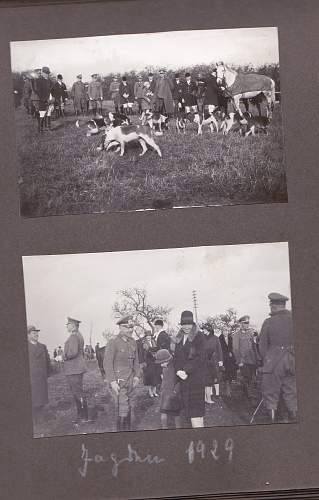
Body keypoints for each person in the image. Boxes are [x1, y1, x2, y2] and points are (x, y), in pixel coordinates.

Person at [259, 293, 297, 422]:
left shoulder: (268, 322)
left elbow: (262, 345)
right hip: (292, 361)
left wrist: (267, 360)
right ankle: (294, 418)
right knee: (291, 392)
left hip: (274, 362)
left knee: (270, 393)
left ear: (273, 306)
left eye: (271, 305)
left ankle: (273, 422)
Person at [103, 315, 140, 431]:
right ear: (120, 328)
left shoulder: (133, 342)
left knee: (129, 408)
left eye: (131, 327)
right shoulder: (113, 342)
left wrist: (137, 377)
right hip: (119, 383)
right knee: (122, 410)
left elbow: (137, 362)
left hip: (130, 382)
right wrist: (113, 381)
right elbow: (107, 363)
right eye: (126, 327)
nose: (130, 330)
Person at [173, 310, 206, 428]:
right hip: (183, 379)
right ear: (181, 324)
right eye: (184, 324)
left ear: (193, 324)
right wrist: (178, 371)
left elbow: (200, 358)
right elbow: (176, 357)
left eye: (189, 324)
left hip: (195, 379)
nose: (186, 326)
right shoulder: (178, 338)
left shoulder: (199, 336)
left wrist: (186, 370)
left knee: (196, 411)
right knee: (187, 410)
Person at [64, 317, 91, 424]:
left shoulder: (74, 336)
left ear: (73, 325)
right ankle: (82, 415)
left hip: (74, 369)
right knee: (77, 392)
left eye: (68, 324)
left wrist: (63, 357)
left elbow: (73, 352)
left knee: (78, 393)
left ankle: (83, 416)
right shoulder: (78, 335)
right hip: (76, 368)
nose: (66, 326)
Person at [27, 325, 51, 425]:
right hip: (31, 377)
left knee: (41, 397)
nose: (36, 334)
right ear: (28, 335)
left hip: (41, 377)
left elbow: (48, 362)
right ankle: (34, 417)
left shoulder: (43, 346)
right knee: (32, 398)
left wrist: (47, 373)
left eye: (37, 332)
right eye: (34, 333)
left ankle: (40, 416)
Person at [232, 315, 259, 399]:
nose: (247, 325)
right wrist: (239, 360)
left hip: (252, 360)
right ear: (241, 324)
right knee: (247, 378)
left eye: (248, 323)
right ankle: (250, 396)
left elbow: (254, 346)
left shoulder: (251, 333)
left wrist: (257, 357)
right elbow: (235, 349)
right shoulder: (237, 335)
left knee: (252, 378)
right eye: (245, 323)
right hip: (243, 361)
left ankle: (246, 393)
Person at [155, 349, 182, 429]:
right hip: (165, 393)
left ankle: (179, 429)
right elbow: (164, 380)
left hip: (173, 394)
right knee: (163, 412)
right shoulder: (164, 368)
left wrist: (176, 390)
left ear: (168, 360)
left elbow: (180, 381)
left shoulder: (175, 367)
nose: (161, 365)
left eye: (162, 363)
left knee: (176, 414)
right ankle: (164, 428)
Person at [202, 323, 223, 403]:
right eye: (203, 329)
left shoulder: (215, 338)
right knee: (205, 380)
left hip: (213, 362)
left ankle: (209, 397)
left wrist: (220, 360)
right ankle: (206, 398)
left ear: (209, 330)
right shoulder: (201, 338)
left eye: (204, 329)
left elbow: (219, 350)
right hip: (204, 362)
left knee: (212, 379)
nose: (203, 331)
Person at [142, 331, 161, 398]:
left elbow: (157, 349)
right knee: (150, 378)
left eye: (149, 336)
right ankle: (150, 392)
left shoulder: (154, 342)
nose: (148, 337)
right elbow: (147, 351)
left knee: (155, 377)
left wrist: (156, 354)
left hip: (155, 361)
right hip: (148, 362)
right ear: (145, 337)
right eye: (147, 336)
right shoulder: (144, 343)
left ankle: (154, 392)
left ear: (151, 336)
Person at [219, 330, 237, 397]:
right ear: (222, 332)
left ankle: (229, 388)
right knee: (225, 374)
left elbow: (233, 347)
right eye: (224, 331)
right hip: (224, 359)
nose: (225, 332)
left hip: (231, 359)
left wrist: (231, 353)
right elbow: (219, 349)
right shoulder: (219, 339)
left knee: (231, 374)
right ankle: (227, 390)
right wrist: (226, 354)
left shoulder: (230, 338)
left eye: (226, 331)